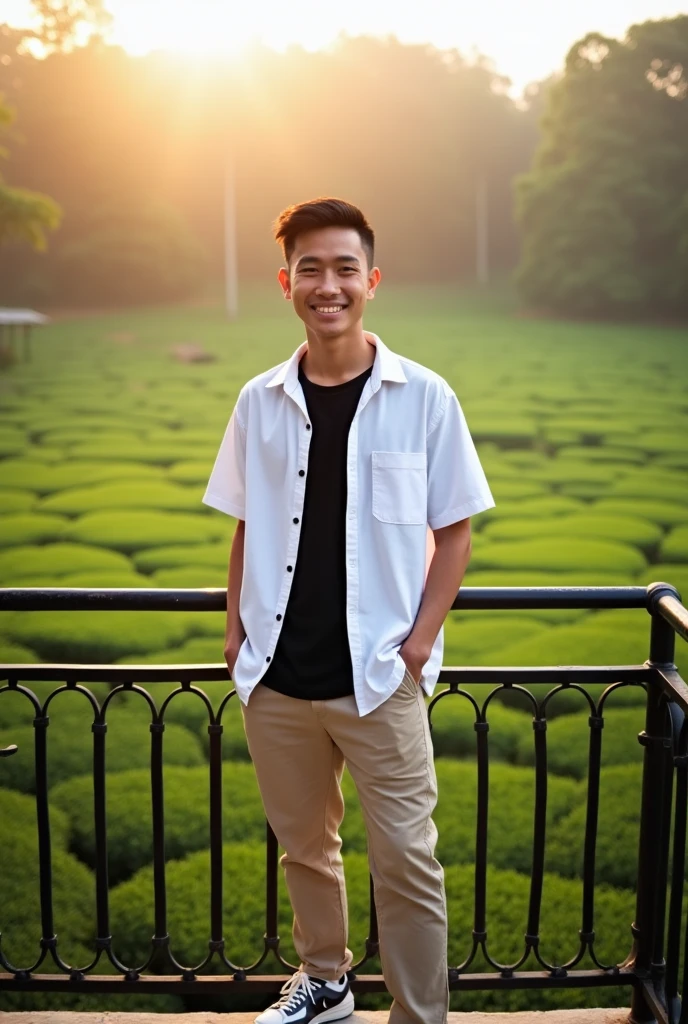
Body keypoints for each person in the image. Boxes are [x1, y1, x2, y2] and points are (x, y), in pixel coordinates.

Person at [203, 197, 495, 1024]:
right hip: (278, 678)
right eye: (309, 269)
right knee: (306, 849)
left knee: (406, 858)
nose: (325, 285)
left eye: (342, 269)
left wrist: (417, 646)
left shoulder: (424, 397)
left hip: (379, 676)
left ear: (371, 280)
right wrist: (236, 633)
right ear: (285, 282)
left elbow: (456, 532)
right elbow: (248, 525)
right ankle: (326, 982)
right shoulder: (259, 400)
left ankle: (418, 1015)